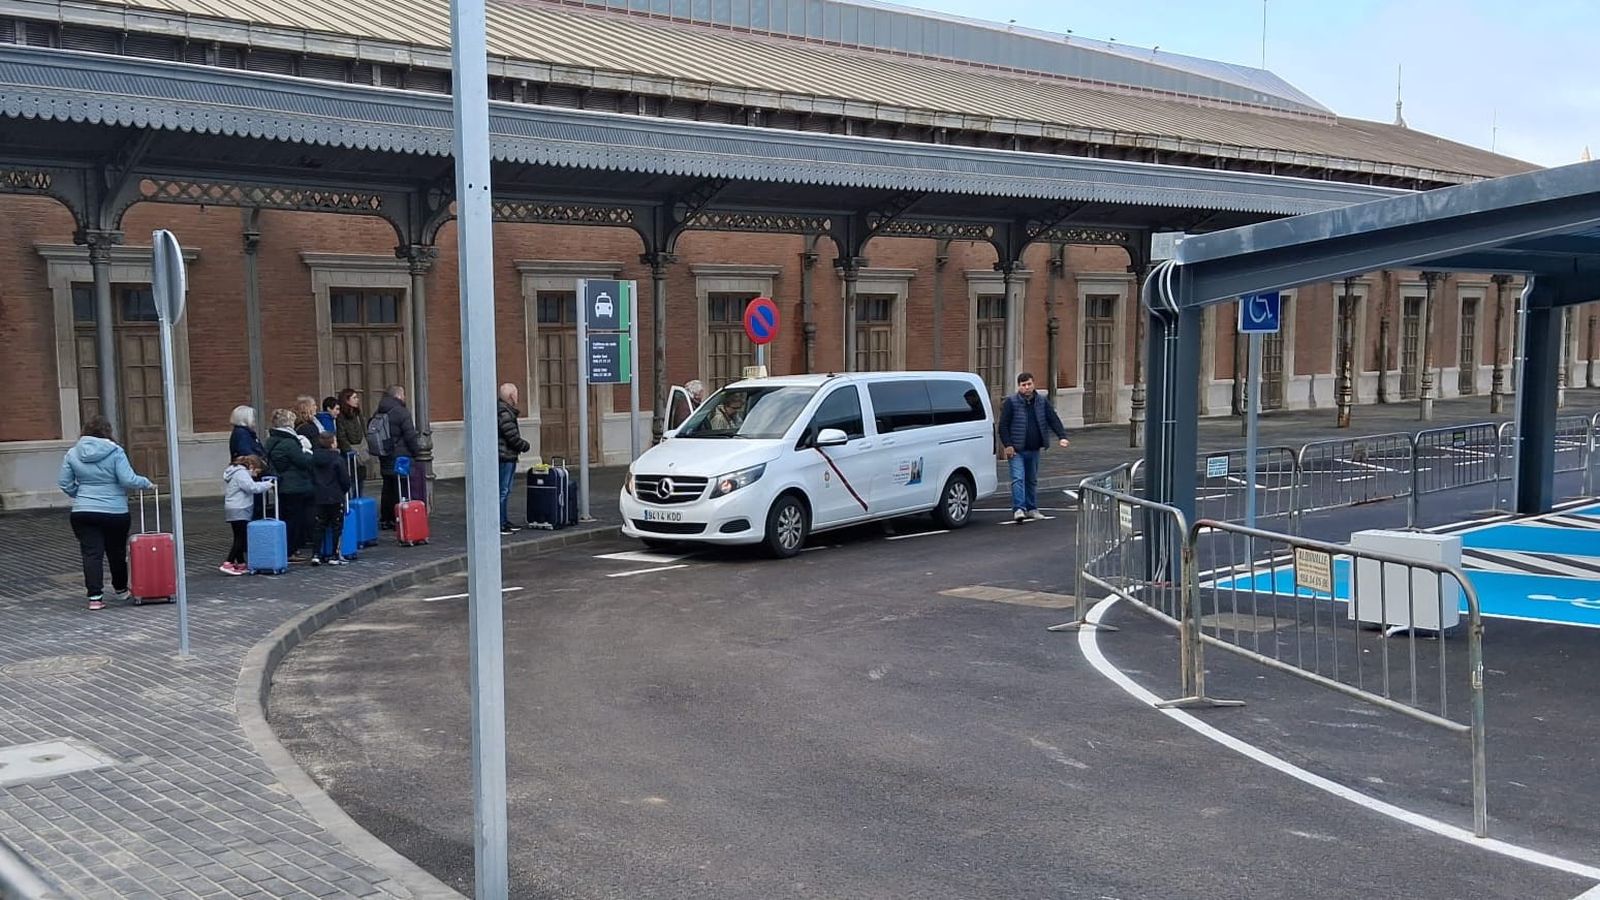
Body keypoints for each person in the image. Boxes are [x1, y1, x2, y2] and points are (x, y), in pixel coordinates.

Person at [57, 416, 154, 610]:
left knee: (91, 554)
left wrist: (82, 495)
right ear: (107, 432)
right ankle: (120, 590)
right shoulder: (115, 451)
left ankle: (95, 598)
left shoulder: (72, 453)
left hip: (83, 511)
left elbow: (64, 483)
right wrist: (146, 483)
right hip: (115, 511)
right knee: (116, 552)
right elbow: (127, 480)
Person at [998, 371, 1070, 522]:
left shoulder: (1041, 402)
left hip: (1034, 448)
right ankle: (1019, 509)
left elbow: (1053, 419)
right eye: (1023, 385)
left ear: (1033, 384)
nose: (1027, 387)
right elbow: (1003, 426)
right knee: (1018, 478)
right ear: (1019, 387)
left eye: (1029, 384)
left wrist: (1062, 436)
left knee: (1031, 479)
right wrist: (1008, 445)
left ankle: (1032, 508)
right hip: (1017, 449)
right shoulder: (1011, 403)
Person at [265, 408, 316, 561]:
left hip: (284, 485)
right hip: (294, 486)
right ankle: (290, 550)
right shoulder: (289, 442)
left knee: (288, 517)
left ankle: (290, 548)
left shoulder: (272, 440)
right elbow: (303, 461)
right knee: (294, 519)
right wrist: (308, 452)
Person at [373, 385, 421, 530]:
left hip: (385, 454)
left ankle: (386, 518)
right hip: (401, 456)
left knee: (387, 487)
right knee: (402, 487)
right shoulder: (401, 412)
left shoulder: (380, 411)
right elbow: (410, 435)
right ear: (399, 396)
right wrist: (416, 452)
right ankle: (400, 517)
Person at [221, 454, 272, 575]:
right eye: (258, 471)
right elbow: (251, 487)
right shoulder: (242, 473)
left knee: (238, 536)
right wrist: (267, 485)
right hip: (240, 507)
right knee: (241, 538)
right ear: (253, 466)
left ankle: (241, 563)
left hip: (233, 507)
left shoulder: (235, 472)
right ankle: (228, 562)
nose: (257, 474)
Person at [309, 432, 351, 566]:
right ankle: (335, 554)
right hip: (335, 496)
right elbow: (345, 480)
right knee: (337, 526)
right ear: (332, 443)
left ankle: (316, 554)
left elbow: (309, 475)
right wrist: (343, 491)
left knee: (318, 526)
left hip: (318, 496)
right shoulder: (338, 459)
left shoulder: (313, 459)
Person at [497, 383, 531, 535]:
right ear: (511, 397)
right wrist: (524, 445)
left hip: (505, 455)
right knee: (503, 491)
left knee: (504, 490)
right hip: (505, 456)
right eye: (516, 394)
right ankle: (500, 523)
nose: (518, 397)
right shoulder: (505, 413)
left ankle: (504, 520)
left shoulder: (503, 411)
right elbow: (511, 436)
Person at [228, 405, 269, 520]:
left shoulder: (243, 433)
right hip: (251, 474)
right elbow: (247, 454)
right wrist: (260, 463)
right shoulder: (242, 434)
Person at [335, 388, 368, 488]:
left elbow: (363, 430)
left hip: (361, 449)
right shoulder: (341, 417)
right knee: (351, 481)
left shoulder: (357, 414)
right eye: (354, 397)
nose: (357, 400)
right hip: (349, 452)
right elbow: (341, 435)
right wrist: (348, 450)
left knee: (360, 479)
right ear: (347, 400)